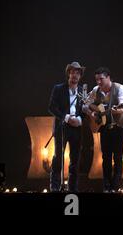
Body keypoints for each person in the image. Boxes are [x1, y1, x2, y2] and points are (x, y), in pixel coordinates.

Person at [83, 67, 123, 193]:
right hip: (104, 127)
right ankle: (106, 186)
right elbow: (85, 105)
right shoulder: (95, 90)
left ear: (108, 77)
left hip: (119, 126)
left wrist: (111, 110)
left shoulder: (120, 88)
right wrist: (92, 113)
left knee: (118, 157)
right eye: (97, 79)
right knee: (106, 157)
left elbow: (122, 108)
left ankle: (115, 186)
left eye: (101, 79)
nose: (99, 82)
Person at [48, 61, 86, 192]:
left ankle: (72, 188)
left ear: (80, 75)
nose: (75, 75)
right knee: (58, 157)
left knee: (75, 159)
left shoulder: (83, 91)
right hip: (62, 127)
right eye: (72, 72)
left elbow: (85, 110)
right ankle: (54, 187)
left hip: (77, 128)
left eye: (77, 72)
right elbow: (51, 107)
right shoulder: (58, 88)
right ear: (68, 73)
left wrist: (80, 119)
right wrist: (67, 117)